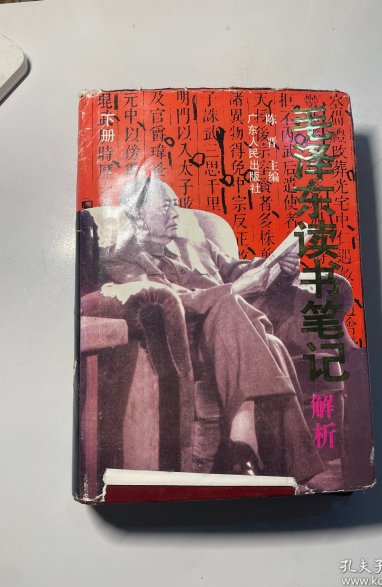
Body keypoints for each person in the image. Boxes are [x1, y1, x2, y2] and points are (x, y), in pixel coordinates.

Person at [104, 175, 326, 484]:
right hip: (186, 345)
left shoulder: (194, 245)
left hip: (235, 335)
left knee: (269, 341)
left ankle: (278, 468)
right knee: (230, 308)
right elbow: (169, 301)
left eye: (176, 205)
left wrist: (278, 266)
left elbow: (237, 269)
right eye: (166, 207)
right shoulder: (120, 258)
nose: (176, 214)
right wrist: (235, 290)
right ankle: (244, 442)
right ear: (137, 214)